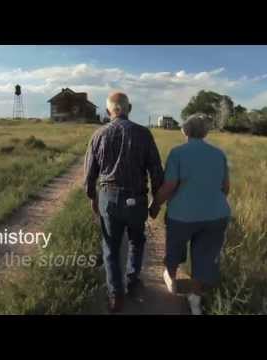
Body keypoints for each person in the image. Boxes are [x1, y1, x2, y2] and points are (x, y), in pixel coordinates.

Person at [84, 92, 164, 313]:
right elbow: (156, 170)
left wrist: (92, 197)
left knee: (110, 246)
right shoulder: (144, 134)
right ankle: (132, 281)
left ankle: (115, 294)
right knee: (136, 241)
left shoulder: (98, 134)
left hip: (108, 198)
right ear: (129, 108)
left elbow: (89, 174)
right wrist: (156, 202)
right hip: (136, 199)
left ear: (109, 110)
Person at [149, 113, 231, 315]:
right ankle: (195, 299)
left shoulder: (178, 153)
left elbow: (169, 186)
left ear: (185, 130)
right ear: (205, 132)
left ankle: (172, 278)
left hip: (182, 216)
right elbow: (225, 187)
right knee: (205, 257)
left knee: (175, 248)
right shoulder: (219, 154)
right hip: (216, 215)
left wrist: (155, 204)